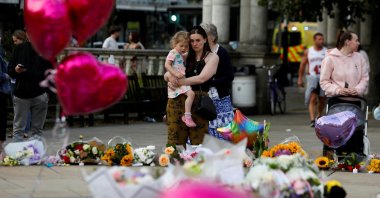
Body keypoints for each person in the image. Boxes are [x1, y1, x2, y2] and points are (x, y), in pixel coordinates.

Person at [166, 26, 219, 146]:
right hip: (178, 99)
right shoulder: (184, 55)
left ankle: (198, 164)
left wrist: (178, 82)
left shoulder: (212, 57)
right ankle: (175, 163)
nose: (194, 44)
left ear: (205, 39)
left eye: (198, 40)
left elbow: (202, 78)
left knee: (199, 140)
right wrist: (170, 79)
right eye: (192, 41)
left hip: (200, 101)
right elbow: (167, 72)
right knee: (175, 140)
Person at [8, 31, 53, 142]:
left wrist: (47, 92)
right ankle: (17, 158)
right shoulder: (19, 48)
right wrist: (16, 70)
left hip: (39, 94)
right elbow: (10, 70)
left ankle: (35, 157)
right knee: (19, 130)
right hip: (22, 94)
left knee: (36, 131)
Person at [200, 23, 234, 140]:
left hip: (219, 97)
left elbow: (229, 76)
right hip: (203, 97)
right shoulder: (199, 52)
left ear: (213, 37)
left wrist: (211, 82)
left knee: (223, 129)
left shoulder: (222, 53)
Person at [320, 31, 369, 102]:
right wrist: (338, 90)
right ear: (347, 42)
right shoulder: (330, 59)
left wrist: (357, 90)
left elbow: (364, 79)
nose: (359, 43)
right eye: (356, 40)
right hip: (335, 100)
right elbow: (324, 81)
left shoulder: (360, 57)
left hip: (356, 100)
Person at [164, 31, 196, 127]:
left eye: (186, 46)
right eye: (181, 46)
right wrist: (174, 73)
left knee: (185, 95)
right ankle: (187, 116)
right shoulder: (173, 52)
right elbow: (167, 64)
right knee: (190, 94)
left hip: (180, 79)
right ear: (174, 44)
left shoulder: (180, 54)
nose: (184, 48)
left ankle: (178, 115)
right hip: (177, 79)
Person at [297, 33, 327, 127]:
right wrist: (300, 78)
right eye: (319, 39)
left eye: (322, 39)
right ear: (314, 40)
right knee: (313, 98)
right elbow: (302, 65)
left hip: (323, 77)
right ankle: (312, 119)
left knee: (322, 99)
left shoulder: (326, 51)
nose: (321, 41)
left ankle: (319, 115)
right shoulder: (308, 51)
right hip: (312, 77)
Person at [0, 51, 11, 155]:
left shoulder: (2, 54)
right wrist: (7, 75)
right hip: (1, 91)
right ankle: (1, 147)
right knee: (2, 119)